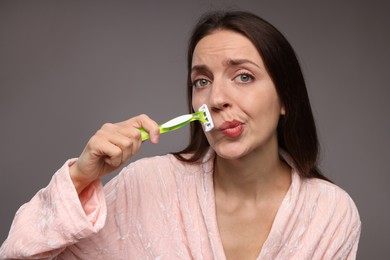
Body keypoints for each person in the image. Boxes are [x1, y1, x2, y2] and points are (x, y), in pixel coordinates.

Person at [0, 10, 361, 259]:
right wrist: (80, 176)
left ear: (285, 97)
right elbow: (19, 252)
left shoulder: (331, 213)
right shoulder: (147, 184)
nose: (216, 99)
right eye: (201, 81)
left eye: (244, 76)